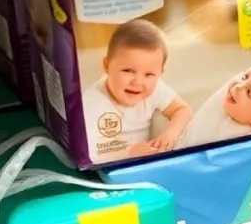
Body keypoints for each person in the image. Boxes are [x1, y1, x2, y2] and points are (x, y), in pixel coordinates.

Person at [80, 19, 193, 160]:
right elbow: (87, 150)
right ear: (106, 65)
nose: (138, 81)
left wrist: (170, 133)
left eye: (149, 74)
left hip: (143, 158)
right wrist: (128, 152)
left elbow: (183, 110)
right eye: (128, 70)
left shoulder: (156, 88)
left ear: (160, 73)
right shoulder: (92, 103)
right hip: (111, 164)